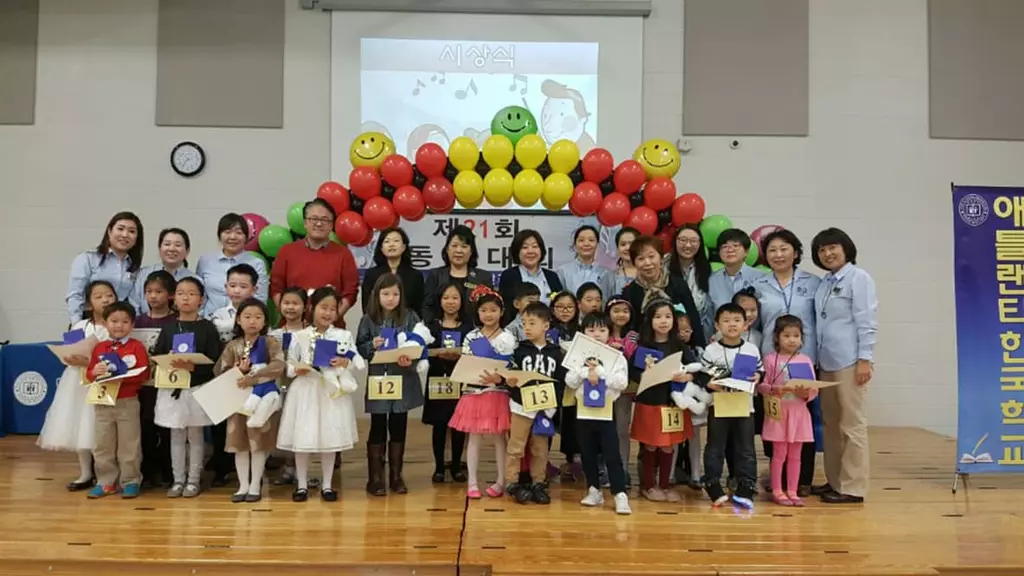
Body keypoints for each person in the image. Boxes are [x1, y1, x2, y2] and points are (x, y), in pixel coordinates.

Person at [752, 228, 822, 498]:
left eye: (784, 249)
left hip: (805, 360)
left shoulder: (813, 283)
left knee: (806, 420)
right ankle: (776, 476)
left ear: (795, 252)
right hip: (772, 361)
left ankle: (802, 480)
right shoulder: (759, 285)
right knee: (774, 418)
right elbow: (755, 324)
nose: (778, 254)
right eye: (771, 250)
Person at [811, 228, 878, 505]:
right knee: (831, 425)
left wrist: (865, 358)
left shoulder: (859, 278)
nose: (828, 254)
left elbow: (867, 320)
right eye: (822, 250)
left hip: (850, 362)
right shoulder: (825, 282)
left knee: (852, 425)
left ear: (846, 248)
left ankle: (853, 487)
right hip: (827, 361)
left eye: (832, 247)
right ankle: (835, 480)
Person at [278, 287, 362, 502]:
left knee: (330, 436)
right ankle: (302, 485)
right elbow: (288, 368)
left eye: (332, 309)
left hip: (331, 391)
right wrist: (298, 368)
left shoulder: (343, 335)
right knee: (303, 437)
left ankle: (327, 485)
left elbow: (355, 361)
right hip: (305, 390)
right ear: (312, 308)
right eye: (323, 307)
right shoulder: (299, 336)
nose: (327, 313)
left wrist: (345, 362)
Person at [356, 273, 430, 496]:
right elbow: (359, 348)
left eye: (395, 294)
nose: (390, 298)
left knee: (399, 425)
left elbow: (420, 343)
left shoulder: (410, 317)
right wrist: (372, 345)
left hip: (403, 379)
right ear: (377, 296)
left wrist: (411, 357)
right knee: (378, 426)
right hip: (380, 379)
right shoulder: (368, 319)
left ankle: (396, 476)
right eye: (385, 294)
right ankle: (375, 478)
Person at [38, 280, 116, 490]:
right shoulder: (80, 326)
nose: (105, 300)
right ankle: (85, 473)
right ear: (89, 304)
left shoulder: (117, 325)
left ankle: (106, 474)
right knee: (81, 424)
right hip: (78, 381)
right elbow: (69, 353)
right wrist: (74, 359)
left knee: (102, 428)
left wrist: (91, 362)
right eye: (98, 297)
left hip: (105, 381)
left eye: (109, 295)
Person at [151, 277, 223, 498]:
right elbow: (158, 356)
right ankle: (177, 479)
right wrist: (169, 360)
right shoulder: (169, 327)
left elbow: (215, 362)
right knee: (176, 435)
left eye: (192, 293)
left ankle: (193, 479)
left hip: (197, 389)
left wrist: (193, 367)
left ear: (201, 299)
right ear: (174, 297)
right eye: (181, 292)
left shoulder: (208, 328)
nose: (186, 297)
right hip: (173, 389)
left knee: (196, 435)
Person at [214, 298, 286, 503]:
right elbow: (220, 371)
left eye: (258, 317)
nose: (252, 321)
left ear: (265, 321)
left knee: (259, 443)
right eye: (247, 317)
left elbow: (278, 366)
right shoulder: (233, 346)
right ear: (238, 319)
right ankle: (242, 485)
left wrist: (253, 378)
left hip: (263, 397)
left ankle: (255, 484)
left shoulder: (271, 343)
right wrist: (239, 371)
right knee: (240, 443)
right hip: (238, 399)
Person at [628, 300, 699, 502]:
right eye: (658, 317)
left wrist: (688, 377)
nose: (663, 321)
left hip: (673, 404)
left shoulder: (679, 345)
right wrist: (645, 375)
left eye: (668, 317)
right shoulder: (643, 346)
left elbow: (697, 370)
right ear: (650, 320)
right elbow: (632, 371)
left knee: (669, 446)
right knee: (650, 446)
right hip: (650, 402)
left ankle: (665, 485)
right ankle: (648, 486)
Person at [448, 286, 515, 499]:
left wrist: (500, 377)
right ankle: (473, 482)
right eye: (484, 310)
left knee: (499, 439)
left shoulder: (507, 337)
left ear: (501, 312)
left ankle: (501, 480)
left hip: (498, 392)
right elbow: (467, 363)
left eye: (493, 310)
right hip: (474, 392)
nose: (488, 314)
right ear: (478, 312)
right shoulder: (471, 336)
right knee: (473, 438)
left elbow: (511, 365)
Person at [699, 303, 764, 509]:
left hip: (745, 407)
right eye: (726, 321)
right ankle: (712, 483)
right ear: (717, 326)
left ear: (746, 325)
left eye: (737, 320)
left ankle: (746, 486)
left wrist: (758, 376)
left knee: (746, 448)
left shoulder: (751, 349)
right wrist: (709, 384)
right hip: (719, 406)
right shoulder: (711, 350)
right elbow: (703, 377)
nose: (732, 325)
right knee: (715, 447)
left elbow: (759, 372)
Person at [84, 302, 151, 499]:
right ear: (105, 323)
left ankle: (130, 480)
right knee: (103, 443)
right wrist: (93, 372)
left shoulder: (136, 346)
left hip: (127, 400)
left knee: (129, 444)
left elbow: (144, 373)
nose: (119, 326)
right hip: (103, 401)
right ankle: (106, 481)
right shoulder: (99, 347)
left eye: (124, 322)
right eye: (114, 321)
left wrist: (123, 376)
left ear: (132, 325)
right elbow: (89, 373)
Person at [567, 312, 631, 514]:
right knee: (587, 452)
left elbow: (622, 382)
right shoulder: (577, 354)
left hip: (606, 411)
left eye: (602, 330)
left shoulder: (616, 357)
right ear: (583, 332)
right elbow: (570, 380)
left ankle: (620, 493)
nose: (596, 334)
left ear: (609, 333)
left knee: (612, 453)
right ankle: (593, 489)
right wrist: (586, 372)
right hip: (584, 412)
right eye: (591, 330)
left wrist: (601, 373)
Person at [504, 302, 563, 505]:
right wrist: (511, 383)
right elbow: (510, 375)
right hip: (521, 405)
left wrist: (553, 405)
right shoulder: (519, 350)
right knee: (516, 445)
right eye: (524, 323)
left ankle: (539, 482)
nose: (527, 327)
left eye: (532, 323)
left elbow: (560, 381)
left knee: (540, 448)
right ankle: (511, 481)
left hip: (545, 408)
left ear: (546, 326)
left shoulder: (556, 352)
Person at [270, 199, 359, 327]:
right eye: (314, 219)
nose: (318, 223)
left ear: (331, 225)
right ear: (305, 223)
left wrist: (326, 320)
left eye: (324, 220)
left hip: (330, 329)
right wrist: (294, 319)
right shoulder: (287, 251)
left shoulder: (343, 254)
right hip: (292, 328)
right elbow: (276, 289)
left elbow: (350, 293)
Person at [759, 315, 817, 507]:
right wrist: (775, 390)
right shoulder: (770, 359)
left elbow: (814, 388)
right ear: (777, 337)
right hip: (779, 413)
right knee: (779, 453)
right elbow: (762, 386)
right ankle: (777, 489)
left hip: (799, 413)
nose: (792, 340)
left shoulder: (806, 359)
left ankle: (792, 490)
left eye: (796, 335)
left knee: (796, 455)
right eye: (787, 335)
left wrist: (806, 393)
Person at [423, 282, 473, 483]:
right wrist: (438, 355)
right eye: (446, 298)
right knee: (440, 425)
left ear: (461, 301)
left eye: (455, 298)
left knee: (459, 425)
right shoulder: (431, 327)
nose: (450, 302)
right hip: (437, 378)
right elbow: (423, 352)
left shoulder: (469, 328)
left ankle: (456, 466)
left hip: (460, 379)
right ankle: (439, 467)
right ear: (439, 301)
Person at [134, 270, 177, 489]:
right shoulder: (137, 321)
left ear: (170, 295)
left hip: (168, 383)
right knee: (145, 426)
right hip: (143, 385)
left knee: (167, 428)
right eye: (149, 291)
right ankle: (147, 470)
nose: (153, 296)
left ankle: (169, 470)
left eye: (159, 291)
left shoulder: (177, 321)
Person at [621, 235, 706, 346]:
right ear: (634, 263)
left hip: (677, 346)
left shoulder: (677, 284)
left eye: (651, 256)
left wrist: (699, 345)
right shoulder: (630, 292)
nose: (647, 263)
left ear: (661, 258)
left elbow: (693, 317)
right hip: (644, 349)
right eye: (640, 259)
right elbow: (630, 327)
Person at [66, 212, 144, 324]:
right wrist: (76, 327)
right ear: (109, 231)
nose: (125, 235)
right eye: (120, 229)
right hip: (88, 320)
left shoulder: (133, 266)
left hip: (118, 325)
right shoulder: (88, 259)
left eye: (132, 231)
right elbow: (75, 295)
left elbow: (133, 302)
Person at [268, 287, 308, 487]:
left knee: (303, 427)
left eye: (295, 303)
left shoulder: (310, 333)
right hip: (280, 385)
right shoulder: (273, 334)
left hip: (304, 386)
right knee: (284, 425)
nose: (290, 307)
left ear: (304, 307)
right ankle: (288, 467)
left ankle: (303, 472)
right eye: (286, 303)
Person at [196, 213, 268, 316]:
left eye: (239, 233)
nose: (233, 237)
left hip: (242, 323)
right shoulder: (205, 261)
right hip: (209, 320)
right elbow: (200, 294)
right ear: (219, 235)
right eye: (227, 232)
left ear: (246, 237)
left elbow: (260, 299)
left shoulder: (256, 264)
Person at [421, 225, 493, 324]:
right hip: (440, 332)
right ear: (447, 249)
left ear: (471, 251)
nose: (459, 250)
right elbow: (428, 307)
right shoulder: (435, 275)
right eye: (454, 246)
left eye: (464, 246)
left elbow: (489, 308)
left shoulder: (483, 277)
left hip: (474, 333)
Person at [498, 230, 564, 325]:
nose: (530, 251)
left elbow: (559, 305)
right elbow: (506, 310)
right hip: (520, 330)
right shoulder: (509, 276)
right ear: (517, 251)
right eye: (525, 247)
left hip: (550, 329)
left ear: (541, 250)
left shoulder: (552, 276)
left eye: (535, 246)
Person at [605, 297, 638, 485]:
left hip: (624, 389)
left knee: (622, 431)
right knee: (605, 431)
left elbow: (634, 359)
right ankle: (608, 470)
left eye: (625, 311)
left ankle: (623, 470)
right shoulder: (603, 332)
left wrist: (621, 351)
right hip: (603, 389)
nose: (621, 315)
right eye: (616, 310)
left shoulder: (633, 335)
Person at [549, 291, 581, 480]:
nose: (565, 311)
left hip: (574, 383)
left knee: (572, 421)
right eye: (560, 307)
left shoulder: (582, 329)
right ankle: (543, 461)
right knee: (549, 420)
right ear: (553, 309)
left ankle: (573, 460)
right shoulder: (547, 328)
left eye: (569, 307)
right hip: (553, 381)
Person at [361, 227, 425, 315]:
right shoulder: (371, 274)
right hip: (378, 324)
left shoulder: (415, 275)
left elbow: (419, 307)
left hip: (407, 324)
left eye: (396, 241)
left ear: (404, 247)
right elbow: (366, 305)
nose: (391, 244)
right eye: (387, 241)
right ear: (381, 249)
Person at [130, 228, 193, 315]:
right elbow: (134, 304)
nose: (171, 248)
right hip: (145, 326)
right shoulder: (143, 274)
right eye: (167, 244)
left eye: (177, 245)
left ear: (187, 251)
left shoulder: (194, 280)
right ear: (159, 249)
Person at [667, 225, 714, 336]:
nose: (688, 245)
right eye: (683, 240)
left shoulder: (706, 269)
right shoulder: (663, 266)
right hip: (669, 329)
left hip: (700, 328)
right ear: (675, 242)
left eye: (693, 241)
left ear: (700, 244)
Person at [708, 229, 765, 313]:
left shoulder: (760, 278)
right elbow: (709, 315)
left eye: (735, 246)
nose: (730, 250)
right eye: (724, 246)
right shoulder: (711, 280)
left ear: (746, 251)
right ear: (719, 252)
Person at [556, 225, 608, 295]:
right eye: (581, 240)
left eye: (591, 240)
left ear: (597, 244)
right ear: (575, 245)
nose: (586, 244)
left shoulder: (605, 273)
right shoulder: (563, 271)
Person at [599, 227, 638, 300]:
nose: (627, 248)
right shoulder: (608, 277)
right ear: (617, 248)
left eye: (632, 244)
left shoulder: (647, 274)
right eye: (623, 244)